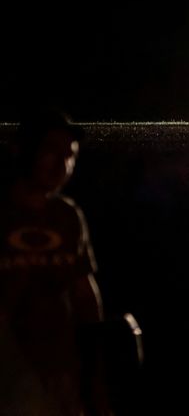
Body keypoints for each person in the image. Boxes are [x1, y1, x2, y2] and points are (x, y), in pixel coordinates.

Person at [0, 109, 109, 415]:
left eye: (70, 155)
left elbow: (84, 294)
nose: (63, 163)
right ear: (23, 149)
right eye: (52, 151)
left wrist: (94, 377)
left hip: (61, 373)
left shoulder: (68, 216)